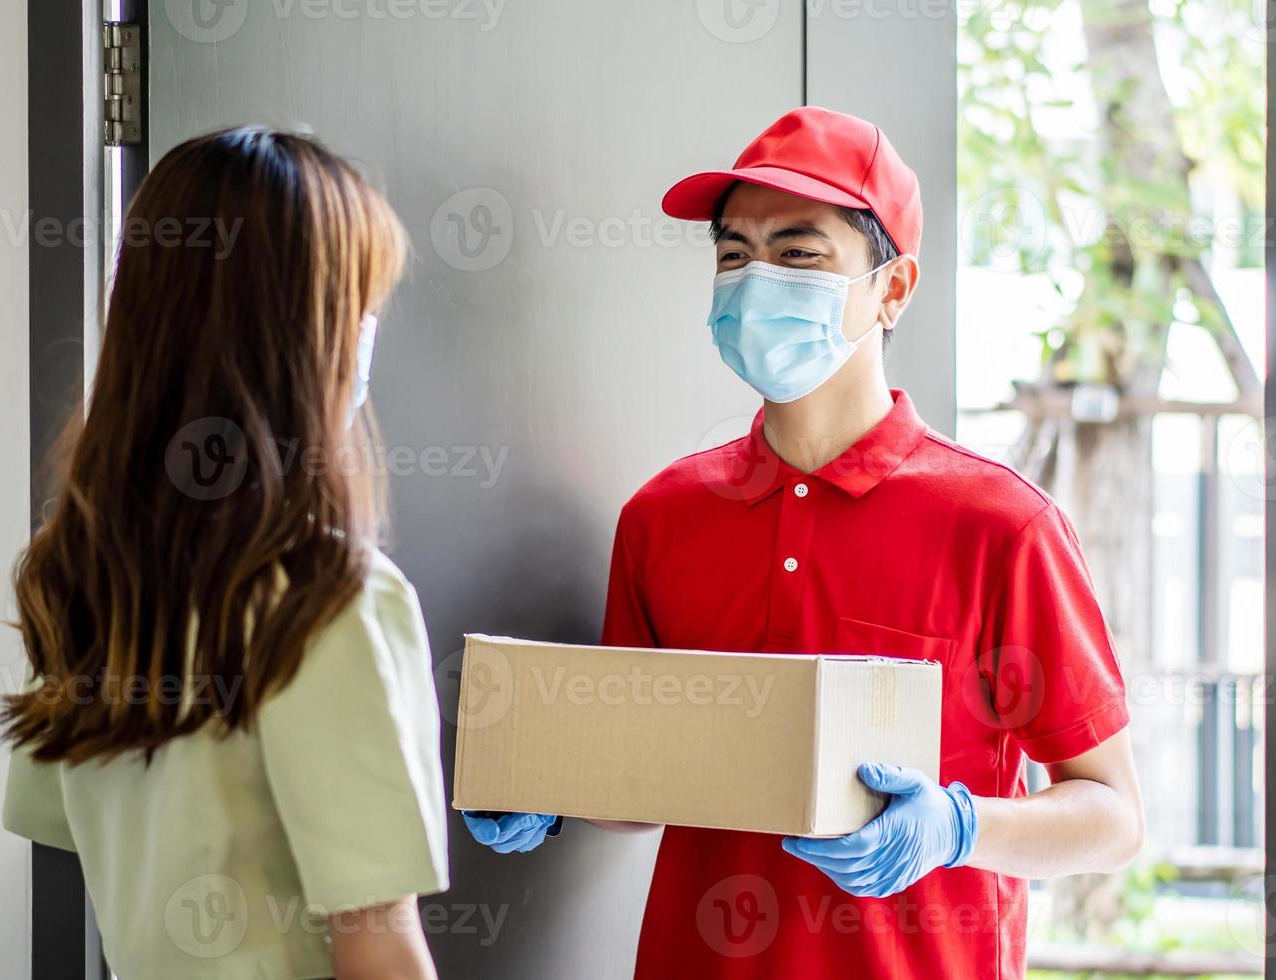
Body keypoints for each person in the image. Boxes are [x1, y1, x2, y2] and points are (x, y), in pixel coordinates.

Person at [462, 106, 1144, 979]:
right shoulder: (661, 519)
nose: (755, 280)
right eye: (734, 254)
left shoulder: (1002, 525)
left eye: (798, 253)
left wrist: (960, 826)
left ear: (892, 288)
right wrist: (555, 792)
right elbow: (649, 784)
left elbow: (1113, 817)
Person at [1, 127, 448, 980]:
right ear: (298, 338)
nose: (366, 335)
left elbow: (65, 840)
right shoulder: (327, 600)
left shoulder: (79, 575)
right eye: (358, 307)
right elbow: (379, 947)